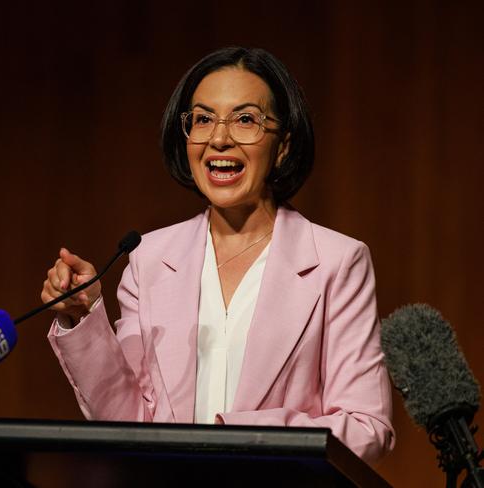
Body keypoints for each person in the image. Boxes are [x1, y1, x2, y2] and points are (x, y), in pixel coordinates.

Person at [41, 47, 395, 463]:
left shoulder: (338, 261)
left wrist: (244, 436)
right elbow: (126, 423)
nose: (219, 138)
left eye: (246, 119)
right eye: (203, 119)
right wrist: (81, 317)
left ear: (282, 146)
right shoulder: (150, 258)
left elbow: (367, 427)